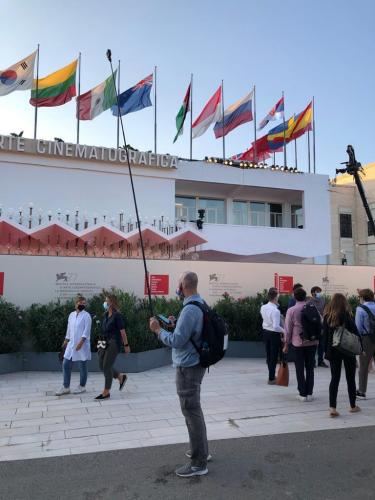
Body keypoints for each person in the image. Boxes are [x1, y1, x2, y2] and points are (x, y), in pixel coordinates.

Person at [149, 271, 209, 478]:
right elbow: (187, 334)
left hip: (188, 367)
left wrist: (158, 330)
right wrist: (174, 326)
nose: (177, 286)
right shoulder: (199, 304)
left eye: (178, 283)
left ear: (183, 285)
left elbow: (176, 341)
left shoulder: (190, 310)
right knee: (194, 409)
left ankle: (198, 463)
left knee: (190, 411)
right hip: (196, 364)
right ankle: (200, 451)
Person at [323, 293, 361, 417]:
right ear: (344, 303)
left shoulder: (327, 317)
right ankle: (352, 406)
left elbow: (324, 336)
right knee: (350, 379)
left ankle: (332, 408)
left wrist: (325, 351)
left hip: (333, 351)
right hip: (347, 350)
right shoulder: (347, 315)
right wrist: (361, 348)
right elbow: (355, 333)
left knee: (334, 379)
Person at [284, 288, 319, 401]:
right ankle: (309, 393)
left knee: (299, 368)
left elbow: (288, 329)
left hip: (298, 343)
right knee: (310, 368)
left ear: (295, 297)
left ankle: (302, 394)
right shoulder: (313, 308)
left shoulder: (292, 310)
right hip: (312, 342)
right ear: (305, 296)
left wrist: (286, 343)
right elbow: (320, 322)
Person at [95, 293, 130, 400]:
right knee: (101, 365)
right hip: (103, 341)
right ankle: (121, 377)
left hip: (114, 342)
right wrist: (99, 344)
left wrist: (126, 345)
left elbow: (122, 332)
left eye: (107, 301)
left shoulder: (117, 316)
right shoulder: (105, 315)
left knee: (106, 366)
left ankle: (106, 392)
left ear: (111, 303)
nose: (105, 302)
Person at [55, 295, 92, 396]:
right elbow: (69, 330)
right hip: (71, 345)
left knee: (82, 366)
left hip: (82, 345)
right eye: (80, 303)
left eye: (84, 303)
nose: (82, 305)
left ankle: (82, 386)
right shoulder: (71, 315)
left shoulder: (87, 316)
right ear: (76, 304)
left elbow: (86, 331)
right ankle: (66, 387)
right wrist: (66, 341)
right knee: (66, 364)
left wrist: (80, 343)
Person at [260, 287, 285, 384]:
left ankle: (271, 375)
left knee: (269, 355)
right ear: (275, 297)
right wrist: (284, 331)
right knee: (274, 356)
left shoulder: (263, 307)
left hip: (265, 332)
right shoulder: (276, 311)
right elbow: (275, 326)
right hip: (274, 334)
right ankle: (271, 378)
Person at [355, 288, 375, 399]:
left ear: (362, 297)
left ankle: (361, 391)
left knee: (363, 365)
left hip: (367, 339)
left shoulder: (360, 309)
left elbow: (358, 327)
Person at [309, 286, 328, 368]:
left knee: (321, 344)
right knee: (313, 344)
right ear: (313, 293)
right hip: (313, 325)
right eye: (317, 291)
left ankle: (321, 361)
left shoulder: (323, 300)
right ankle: (312, 361)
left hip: (322, 324)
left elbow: (326, 310)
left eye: (320, 291)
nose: (319, 293)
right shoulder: (309, 301)